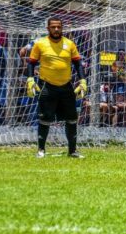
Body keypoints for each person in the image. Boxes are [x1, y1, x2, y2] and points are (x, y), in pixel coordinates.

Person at [26, 16, 87, 158]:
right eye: (53, 27)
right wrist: (30, 79)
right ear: (48, 28)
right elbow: (31, 63)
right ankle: (41, 150)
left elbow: (78, 63)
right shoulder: (40, 44)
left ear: (62, 28)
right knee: (45, 118)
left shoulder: (70, 44)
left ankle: (72, 151)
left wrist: (83, 81)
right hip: (47, 86)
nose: (56, 29)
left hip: (66, 87)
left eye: (58, 27)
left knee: (72, 118)